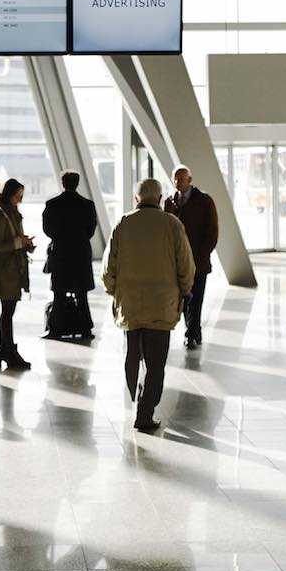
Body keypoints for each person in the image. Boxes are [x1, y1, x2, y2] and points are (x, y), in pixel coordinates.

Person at [103, 178, 195, 432]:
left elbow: (108, 268)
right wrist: (183, 291)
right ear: (160, 199)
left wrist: (114, 292)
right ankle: (144, 412)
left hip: (130, 305)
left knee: (132, 355)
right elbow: (186, 266)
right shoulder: (172, 224)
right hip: (162, 305)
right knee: (156, 364)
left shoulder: (123, 224)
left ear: (136, 199)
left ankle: (134, 394)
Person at [164, 165, 218, 349]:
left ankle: (191, 334)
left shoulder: (204, 201)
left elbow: (212, 231)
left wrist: (202, 254)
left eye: (181, 178)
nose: (177, 182)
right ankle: (194, 330)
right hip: (178, 262)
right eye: (175, 179)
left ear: (190, 180)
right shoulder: (170, 202)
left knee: (196, 298)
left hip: (198, 261)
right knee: (185, 299)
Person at [42, 170, 98, 336]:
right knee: (81, 294)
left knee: (59, 293)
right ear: (77, 183)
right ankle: (85, 328)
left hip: (61, 252)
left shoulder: (52, 204)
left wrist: (60, 237)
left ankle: (55, 329)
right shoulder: (87, 205)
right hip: (80, 252)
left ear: (62, 183)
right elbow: (91, 229)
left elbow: (47, 229)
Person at [0, 179, 34, 370]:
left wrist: (25, 244)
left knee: (8, 311)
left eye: (21, 196)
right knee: (7, 312)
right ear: (9, 195)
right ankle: (7, 351)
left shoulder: (13, 214)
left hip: (13, 269)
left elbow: (12, 240)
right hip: (5, 271)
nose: (20, 200)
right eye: (17, 196)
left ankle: (6, 350)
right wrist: (19, 242)